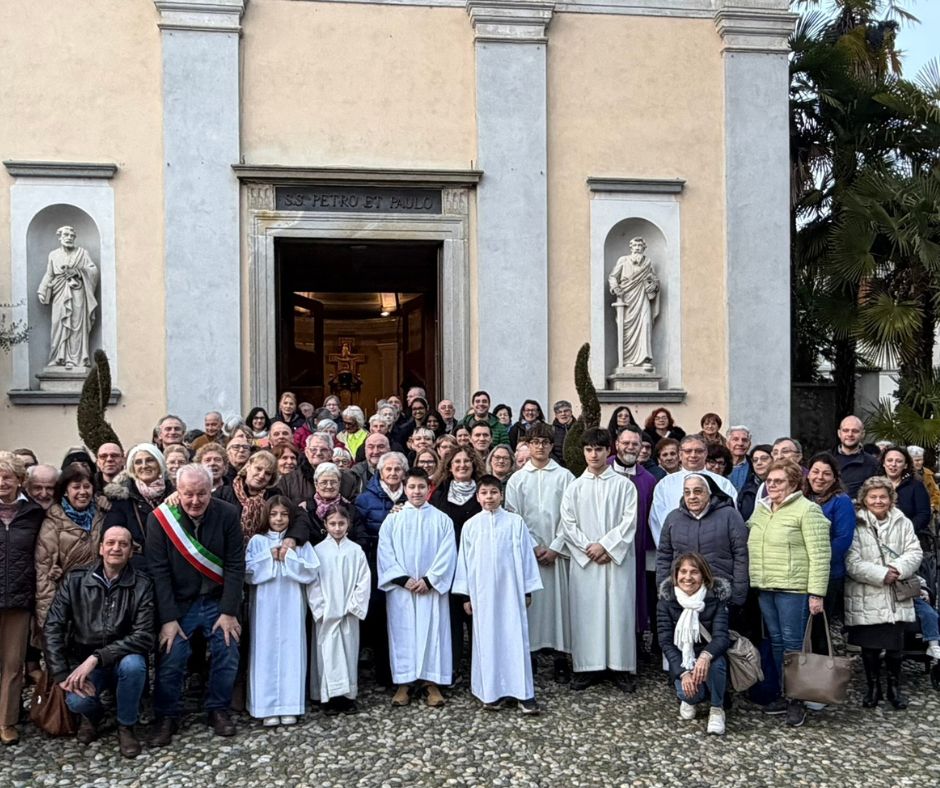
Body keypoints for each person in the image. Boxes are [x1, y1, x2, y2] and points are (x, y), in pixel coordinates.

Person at [146, 464, 245, 745]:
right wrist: (168, 618)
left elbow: (236, 565)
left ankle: (218, 709)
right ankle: (167, 715)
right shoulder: (160, 520)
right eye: (188, 494)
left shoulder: (227, 514)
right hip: (179, 603)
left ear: (211, 489)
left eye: (202, 493)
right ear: (177, 492)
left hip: (216, 599)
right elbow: (158, 570)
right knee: (172, 653)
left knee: (228, 649)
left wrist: (228, 611)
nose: (195, 500)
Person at [43, 525, 154, 757]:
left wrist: (97, 657)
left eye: (123, 544)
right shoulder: (75, 581)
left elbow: (144, 636)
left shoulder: (142, 584)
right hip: (82, 658)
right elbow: (53, 626)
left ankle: (126, 725)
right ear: (101, 548)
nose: (116, 548)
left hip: (122, 659)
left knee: (134, 665)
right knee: (76, 701)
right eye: (111, 543)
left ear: (131, 552)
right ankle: (93, 717)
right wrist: (61, 674)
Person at [747, 459, 830, 727]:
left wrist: (816, 593)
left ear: (793, 483)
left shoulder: (808, 510)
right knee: (777, 643)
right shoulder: (761, 510)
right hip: (766, 587)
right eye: (769, 481)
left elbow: (820, 555)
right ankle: (784, 693)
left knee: (794, 645)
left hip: (794, 589)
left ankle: (798, 699)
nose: (772, 485)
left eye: (779, 481)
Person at [453, 475, 543, 713]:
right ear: (478, 497)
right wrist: (466, 595)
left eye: (493, 492)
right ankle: (491, 692)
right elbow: (464, 561)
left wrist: (527, 589)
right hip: (482, 594)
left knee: (515, 638)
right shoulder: (471, 526)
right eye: (484, 493)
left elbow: (526, 557)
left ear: (501, 495)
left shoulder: (515, 523)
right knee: (487, 640)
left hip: (511, 592)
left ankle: (523, 693)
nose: (489, 497)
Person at [560, 428, 638, 692]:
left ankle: (620, 667)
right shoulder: (574, 487)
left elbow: (629, 523)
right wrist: (587, 547)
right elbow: (568, 524)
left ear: (609, 451)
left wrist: (605, 546)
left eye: (599, 449)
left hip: (616, 561)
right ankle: (587, 667)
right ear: (583, 452)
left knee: (618, 611)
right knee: (587, 612)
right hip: (587, 562)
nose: (593, 454)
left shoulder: (624, 486)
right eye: (589, 449)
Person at [378, 468, 458, 707]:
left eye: (421, 487)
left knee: (433, 632)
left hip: (429, 589)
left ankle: (431, 682)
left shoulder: (441, 519)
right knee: (403, 633)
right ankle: (405, 681)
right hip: (403, 589)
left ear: (428, 489)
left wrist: (430, 580)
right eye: (411, 487)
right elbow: (385, 551)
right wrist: (402, 579)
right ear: (404, 488)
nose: (416, 491)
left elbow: (448, 553)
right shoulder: (394, 519)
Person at [505, 423, 575, 682]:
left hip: (557, 553)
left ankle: (560, 658)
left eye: (545, 442)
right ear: (528, 444)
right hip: (530, 553)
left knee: (560, 607)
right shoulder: (518, 478)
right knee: (531, 607)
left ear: (551, 445)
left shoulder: (565, 477)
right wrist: (533, 546)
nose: (541, 447)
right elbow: (514, 515)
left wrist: (556, 547)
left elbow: (570, 515)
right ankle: (530, 656)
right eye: (536, 442)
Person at [845, 476, 923, 709]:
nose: (878, 501)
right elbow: (851, 560)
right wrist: (880, 574)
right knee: (870, 647)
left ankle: (893, 688)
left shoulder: (903, 522)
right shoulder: (856, 523)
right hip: (867, 591)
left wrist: (897, 569)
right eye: (873, 497)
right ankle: (872, 688)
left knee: (895, 647)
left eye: (883, 497)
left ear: (891, 499)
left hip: (896, 592)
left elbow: (915, 551)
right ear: (865, 500)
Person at [244, 496, 319, 726]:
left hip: (292, 603)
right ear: (267, 515)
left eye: (284, 514)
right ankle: (265, 706)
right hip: (264, 606)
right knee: (264, 650)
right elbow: (248, 572)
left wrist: (288, 557)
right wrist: (269, 556)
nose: (278, 519)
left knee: (291, 649)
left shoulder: (299, 543)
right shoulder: (257, 541)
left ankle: (290, 704)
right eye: (274, 514)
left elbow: (311, 571)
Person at [657, 553, 730, 735]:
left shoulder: (716, 599)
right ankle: (690, 698)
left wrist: (705, 656)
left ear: (703, 576)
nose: (687, 577)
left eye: (694, 572)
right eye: (683, 571)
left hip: (708, 655)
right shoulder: (666, 602)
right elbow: (665, 642)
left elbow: (721, 637)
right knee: (689, 695)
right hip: (683, 658)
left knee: (717, 664)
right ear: (676, 575)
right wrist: (683, 673)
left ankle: (716, 709)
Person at [0, 452, 45, 746]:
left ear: (19, 480)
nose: (1, 483)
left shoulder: (34, 513)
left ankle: (6, 721)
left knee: (13, 665)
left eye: (7, 477)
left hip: (18, 598)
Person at [308, 503, 371, 715]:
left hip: (347, 612)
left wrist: (354, 606)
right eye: (332, 523)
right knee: (326, 653)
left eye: (341, 523)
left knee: (348, 651)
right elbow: (312, 583)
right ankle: (327, 697)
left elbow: (364, 580)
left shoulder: (355, 551)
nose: (337, 528)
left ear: (348, 525)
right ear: (325, 524)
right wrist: (321, 609)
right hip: (326, 613)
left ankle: (347, 697)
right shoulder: (317, 551)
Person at [656, 474, 749, 615]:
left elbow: (742, 555)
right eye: (687, 492)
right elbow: (664, 556)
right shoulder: (673, 518)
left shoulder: (730, 516)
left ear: (709, 493)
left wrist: (738, 595)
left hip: (720, 596)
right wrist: (665, 590)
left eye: (698, 491)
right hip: (682, 594)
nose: (692, 496)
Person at [430, 446, 484, 677]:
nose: (462, 465)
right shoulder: (439, 494)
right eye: (457, 462)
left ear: (474, 465)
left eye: (466, 461)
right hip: (448, 564)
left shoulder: (483, 493)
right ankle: (451, 666)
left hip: (477, 563)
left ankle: (479, 668)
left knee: (478, 617)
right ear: (449, 467)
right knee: (451, 619)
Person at [35, 463, 108, 631]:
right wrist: (47, 625)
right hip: (69, 603)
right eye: (76, 487)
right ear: (66, 491)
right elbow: (44, 577)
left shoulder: (103, 514)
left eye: (87, 486)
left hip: (101, 600)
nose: (82, 492)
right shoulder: (53, 522)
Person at [607, 425, 659, 651]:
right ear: (617, 444)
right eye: (625, 443)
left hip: (635, 548)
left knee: (634, 593)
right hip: (604, 548)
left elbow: (649, 516)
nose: (630, 447)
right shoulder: (602, 470)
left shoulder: (647, 480)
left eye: (635, 444)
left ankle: (634, 641)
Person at [803, 452, 856, 654]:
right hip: (803, 573)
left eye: (826, 473)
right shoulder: (803, 498)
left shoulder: (840, 501)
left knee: (819, 629)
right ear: (808, 474)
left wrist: (818, 562)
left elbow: (843, 539)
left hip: (828, 574)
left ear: (835, 478)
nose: (820, 477)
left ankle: (821, 675)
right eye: (815, 471)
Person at [649, 435, 738, 548]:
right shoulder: (665, 484)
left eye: (698, 451)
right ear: (680, 455)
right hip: (677, 550)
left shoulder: (723, 484)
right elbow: (657, 520)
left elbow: (732, 519)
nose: (693, 455)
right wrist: (668, 549)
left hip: (715, 549)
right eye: (688, 451)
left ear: (705, 454)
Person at [37, 225, 99, 369]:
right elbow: (49, 274)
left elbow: (93, 270)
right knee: (57, 323)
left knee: (75, 326)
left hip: (77, 292)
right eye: (66, 235)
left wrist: (77, 271)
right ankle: (57, 358)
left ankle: (75, 359)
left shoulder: (82, 253)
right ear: (60, 237)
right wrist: (42, 289)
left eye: (72, 235)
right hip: (59, 292)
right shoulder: (53, 255)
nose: (69, 238)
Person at [104, 443, 172, 563]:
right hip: (140, 567)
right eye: (138, 462)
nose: (144, 466)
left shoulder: (175, 493)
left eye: (150, 460)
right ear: (132, 468)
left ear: (160, 464)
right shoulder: (123, 498)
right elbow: (112, 534)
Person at [608, 236, 660, 367]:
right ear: (631, 248)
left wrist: (654, 285)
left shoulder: (648, 263)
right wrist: (615, 287)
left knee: (645, 324)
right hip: (626, 298)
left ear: (643, 248)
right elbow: (613, 277)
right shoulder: (623, 260)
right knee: (627, 328)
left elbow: (654, 279)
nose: (637, 248)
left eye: (640, 246)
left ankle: (644, 359)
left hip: (642, 298)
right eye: (635, 246)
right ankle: (628, 360)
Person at [881, 446, 931, 534]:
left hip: (908, 536)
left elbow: (923, 514)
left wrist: (905, 530)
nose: (893, 464)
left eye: (899, 461)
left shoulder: (915, 485)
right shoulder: (874, 485)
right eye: (889, 460)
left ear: (905, 465)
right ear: (883, 463)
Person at [833, 416, 881, 499]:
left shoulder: (873, 463)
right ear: (839, 433)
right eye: (845, 430)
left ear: (862, 434)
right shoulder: (825, 459)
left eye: (855, 431)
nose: (850, 434)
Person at [737, 444, 772, 521]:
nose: (759, 463)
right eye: (755, 460)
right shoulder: (747, 488)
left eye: (764, 459)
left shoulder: (783, 486)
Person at [907, 445, 940, 513]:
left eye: (921, 459)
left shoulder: (928, 473)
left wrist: (933, 507)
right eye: (916, 460)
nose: (919, 462)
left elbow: (935, 492)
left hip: (929, 511)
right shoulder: (904, 474)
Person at [727, 426, 752, 493]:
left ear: (749, 445)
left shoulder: (755, 466)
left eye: (744, 440)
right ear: (728, 444)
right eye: (735, 439)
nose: (740, 443)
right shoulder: (718, 465)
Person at [550, 400, 575, 467]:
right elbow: (549, 451)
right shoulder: (551, 430)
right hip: (557, 467)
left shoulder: (580, 428)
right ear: (556, 415)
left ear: (571, 412)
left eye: (566, 411)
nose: (563, 414)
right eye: (559, 412)